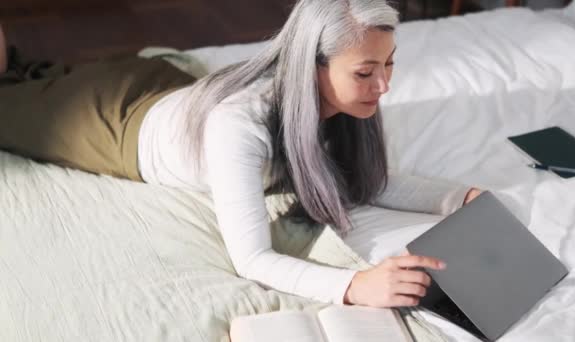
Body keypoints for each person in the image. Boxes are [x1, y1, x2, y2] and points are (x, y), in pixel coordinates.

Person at [0, 0, 481, 308]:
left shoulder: (340, 105)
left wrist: (461, 198)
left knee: (43, 75)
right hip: (119, 127)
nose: (384, 85)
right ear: (310, 67)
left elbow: (367, 180)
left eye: (390, 64)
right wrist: (354, 286)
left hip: (164, 88)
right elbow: (252, 259)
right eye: (365, 72)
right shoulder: (241, 125)